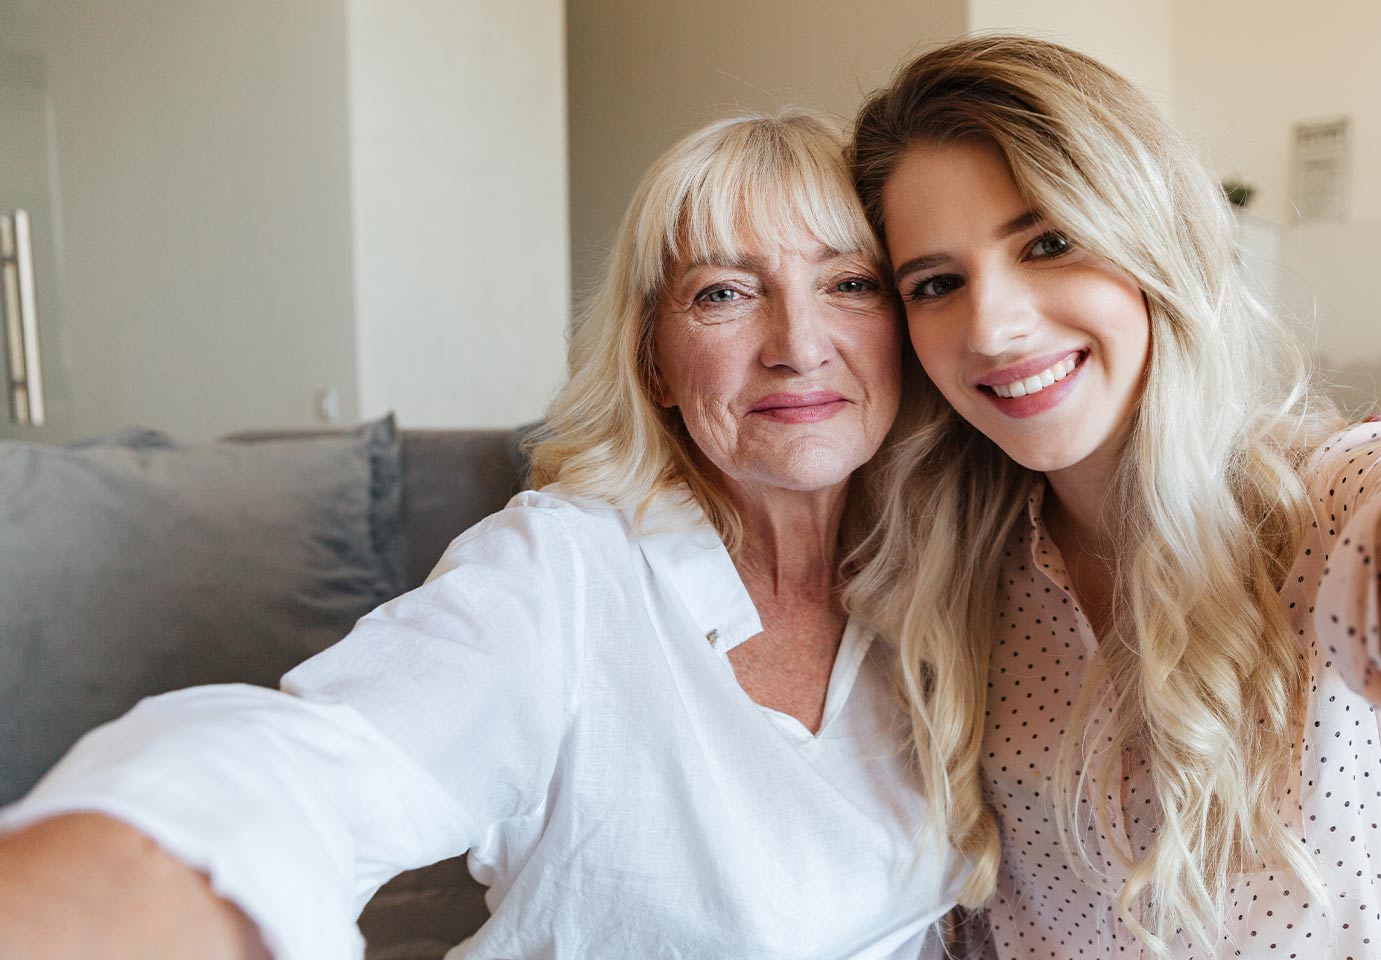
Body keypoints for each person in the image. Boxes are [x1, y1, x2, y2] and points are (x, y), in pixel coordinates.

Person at [0, 110, 971, 959]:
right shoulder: (562, 572)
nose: (799, 344)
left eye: (850, 284)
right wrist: (119, 873)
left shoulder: (950, 575)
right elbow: (317, 771)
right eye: (724, 292)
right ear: (656, 363)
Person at [844, 34, 1381, 959]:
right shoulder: (946, 566)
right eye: (936, 283)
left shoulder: (1331, 499)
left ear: (1154, 238)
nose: (993, 328)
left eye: (1048, 242)